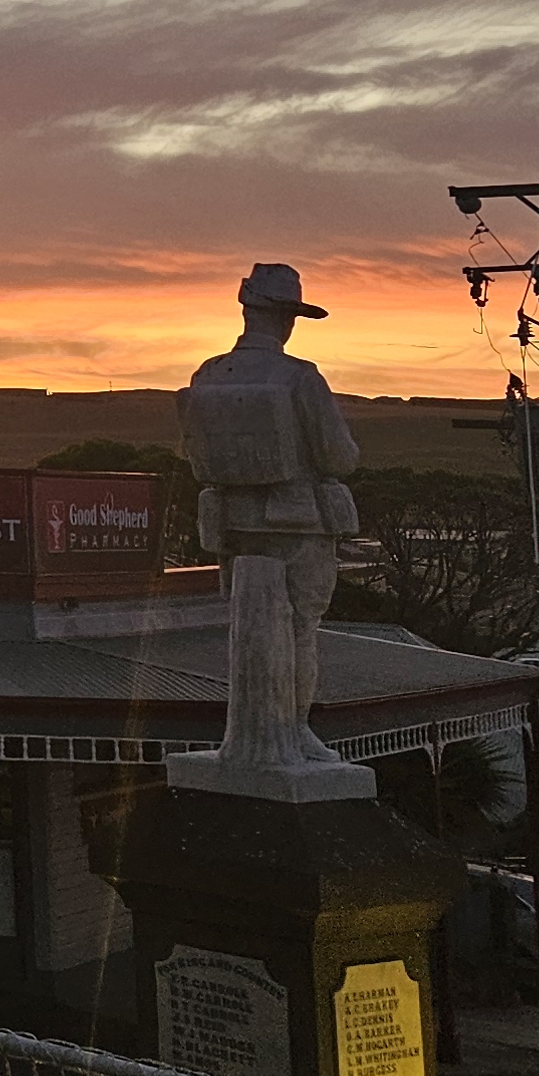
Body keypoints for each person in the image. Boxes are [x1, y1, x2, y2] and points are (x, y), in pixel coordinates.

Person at [177, 262, 362, 784]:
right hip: (296, 523)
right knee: (300, 628)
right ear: (286, 318)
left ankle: (255, 724)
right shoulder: (300, 377)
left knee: (247, 626)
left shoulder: (207, 373)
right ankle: (292, 726)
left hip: (234, 525)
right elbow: (338, 457)